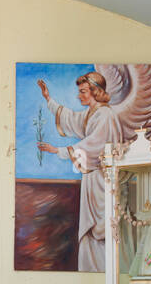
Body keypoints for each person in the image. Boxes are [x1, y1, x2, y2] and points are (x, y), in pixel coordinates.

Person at [36, 72, 127, 272]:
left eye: (84, 91)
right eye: (79, 92)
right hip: (92, 179)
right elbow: (70, 118)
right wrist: (49, 99)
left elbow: (94, 145)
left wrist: (58, 150)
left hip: (104, 180)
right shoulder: (91, 113)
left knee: (103, 229)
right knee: (91, 231)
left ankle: (106, 270)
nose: (79, 96)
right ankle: (91, 269)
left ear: (96, 91)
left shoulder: (106, 115)